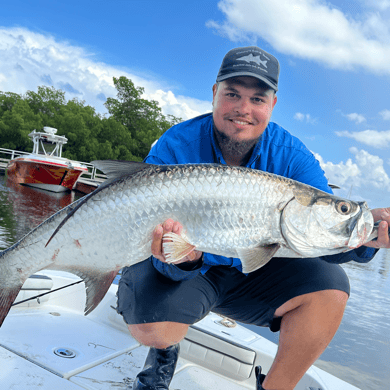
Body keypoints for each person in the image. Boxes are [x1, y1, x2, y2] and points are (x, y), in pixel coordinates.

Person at [117, 46, 390, 390]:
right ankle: (161, 359)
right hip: (188, 270)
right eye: (233, 94)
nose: (243, 109)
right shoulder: (176, 145)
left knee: (331, 289)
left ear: (272, 105)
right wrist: (186, 260)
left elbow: (317, 236)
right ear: (215, 94)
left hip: (252, 271)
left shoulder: (294, 158)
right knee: (155, 329)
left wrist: (364, 237)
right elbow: (152, 247)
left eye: (257, 99)